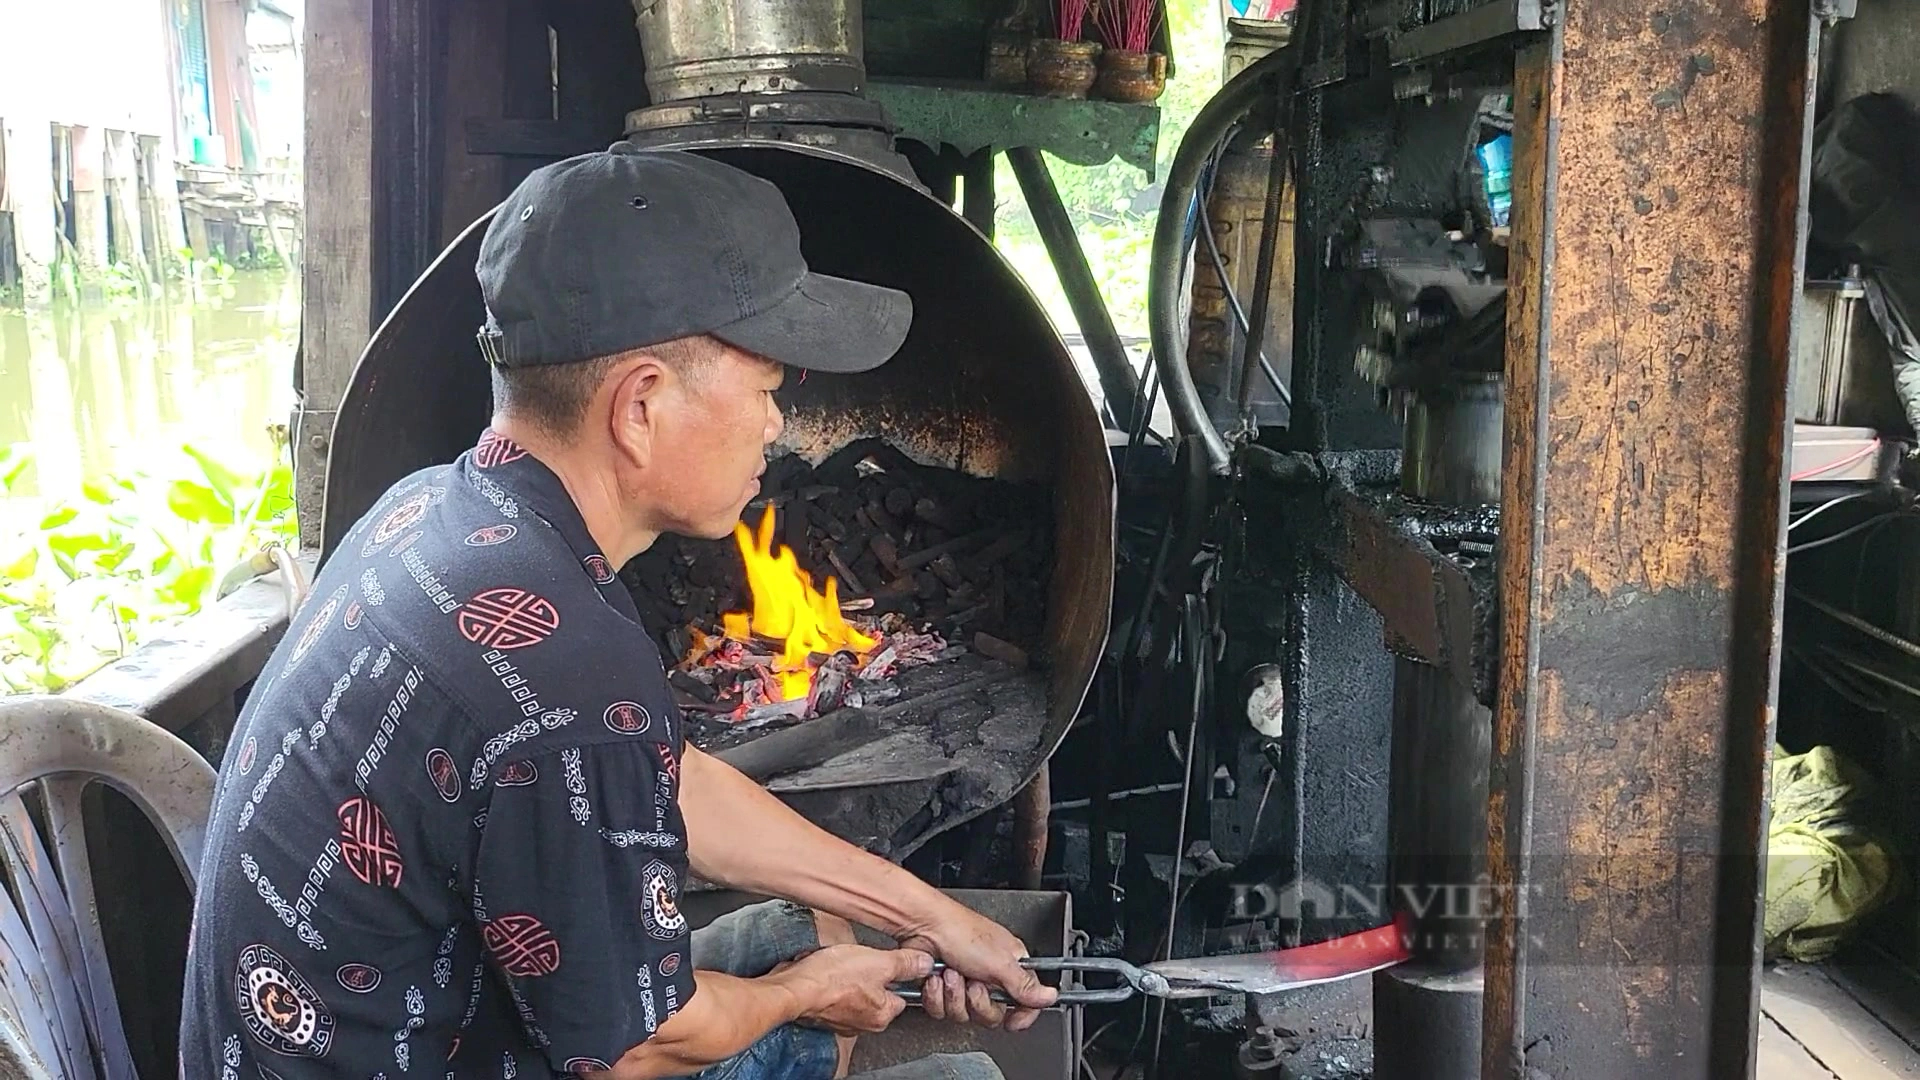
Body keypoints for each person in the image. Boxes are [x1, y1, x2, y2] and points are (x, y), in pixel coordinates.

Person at [180, 146, 1056, 1080]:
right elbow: (634, 1050)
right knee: (956, 1076)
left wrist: (930, 914)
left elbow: (663, 776)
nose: (776, 425)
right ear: (639, 405)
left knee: (785, 941)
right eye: (768, 389)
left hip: (408, 1023)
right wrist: (807, 993)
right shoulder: (569, 675)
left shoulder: (429, 510)